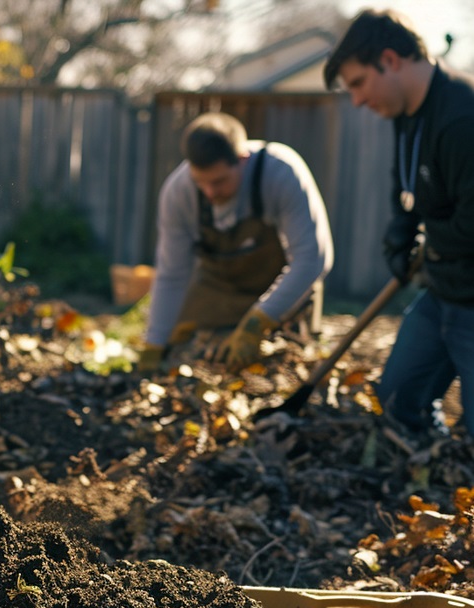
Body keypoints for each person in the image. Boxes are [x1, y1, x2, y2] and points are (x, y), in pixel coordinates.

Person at [324, 9, 474, 435]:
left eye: (357, 83)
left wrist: (431, 244)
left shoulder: (463, 118)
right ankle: (431, 467)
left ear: (389, 60)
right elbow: (404, 184)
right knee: (397, 401)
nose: (355, 99)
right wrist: (400, 233)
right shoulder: (408, 113)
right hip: (443, 291)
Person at [137, 112, 334, 373]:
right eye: (201, 183)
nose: (209, 192)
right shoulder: (178, 192)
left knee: (288, 362)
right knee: (187, 357)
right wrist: (154, 345)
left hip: (284, 293)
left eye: (218, 181)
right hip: (220, 291)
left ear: (242, 160)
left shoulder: (280, 173)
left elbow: (313, 259)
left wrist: (259, 321)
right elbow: (172, 274)